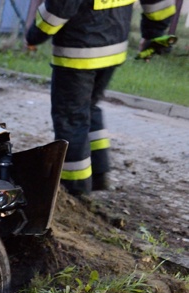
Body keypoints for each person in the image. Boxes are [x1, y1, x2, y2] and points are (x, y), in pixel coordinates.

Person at [25, 0, 176, 197]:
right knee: (88, 108)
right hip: (114, 46)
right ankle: (98, 174)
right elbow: (159, 3)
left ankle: (74, 190)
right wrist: (155, 34)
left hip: (78, 51)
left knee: (72, 118)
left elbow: (61, 7)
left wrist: (34, 35)